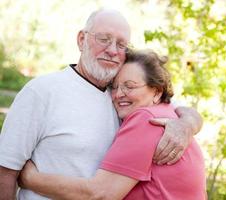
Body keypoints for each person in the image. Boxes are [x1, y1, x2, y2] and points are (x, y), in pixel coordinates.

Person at [0, 9, 202, 200]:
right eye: (104, 39)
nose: (112, 50)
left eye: (121, 44)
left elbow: (181, 110)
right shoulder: (42, 91)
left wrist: (186, 125)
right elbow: (5, 171)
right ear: (82, 39)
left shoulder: (128, 96)